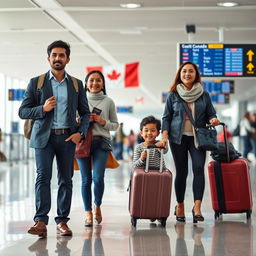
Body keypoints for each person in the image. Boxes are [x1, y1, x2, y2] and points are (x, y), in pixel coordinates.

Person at [19, 40, 90, 237]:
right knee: (43, 177)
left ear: (67, 59)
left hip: (67, 138)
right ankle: (40, 221)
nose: (57, 58)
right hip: (44, 138)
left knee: (66, 180)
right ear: (48, 58)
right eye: (54, 55)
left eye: (61, 55)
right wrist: (42, 108)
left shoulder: (76, 84)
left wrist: (80, 133)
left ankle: (62, 222)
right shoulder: (37, 83)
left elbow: (85, 113)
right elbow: (23, 111)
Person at [161, 61, 220, 223]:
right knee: (182, 172)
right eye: (184, 71)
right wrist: (164, 136)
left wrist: (213, 119)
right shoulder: (173, 95)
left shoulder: (204, 94)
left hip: (198, 138)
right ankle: (180, 205)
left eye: (191, 71)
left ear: (196, 75)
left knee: (199, 168)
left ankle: (197, 207)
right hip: (177, 138)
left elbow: (211, 113)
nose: (187, 74)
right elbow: (166, 117)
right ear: (180, 75)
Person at [76, 70, 118, 227]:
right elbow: (71, 123)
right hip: (82, 142)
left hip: (101, 143)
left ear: (103, 83)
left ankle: (97, 205)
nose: (94, 83)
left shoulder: (108, 102)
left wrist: (102, 121)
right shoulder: (79, 100)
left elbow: (115, 126)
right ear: (86, 84)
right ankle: (88, 212)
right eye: (91, 80)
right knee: (86, 180)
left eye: (98, 80)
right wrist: (79, 120)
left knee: (98, 178)